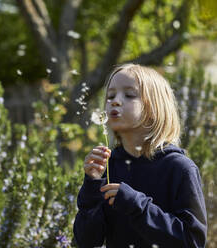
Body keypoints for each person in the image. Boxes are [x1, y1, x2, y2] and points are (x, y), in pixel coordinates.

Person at [73, 64, 207, 248]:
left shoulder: (179, 168)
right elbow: (87, 241)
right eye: (110, 96)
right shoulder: (109, 166)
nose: (115, 101)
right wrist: (92, 185)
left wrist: (137, 205)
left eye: (129, 95)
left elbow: (192, 241)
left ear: (153, 109)